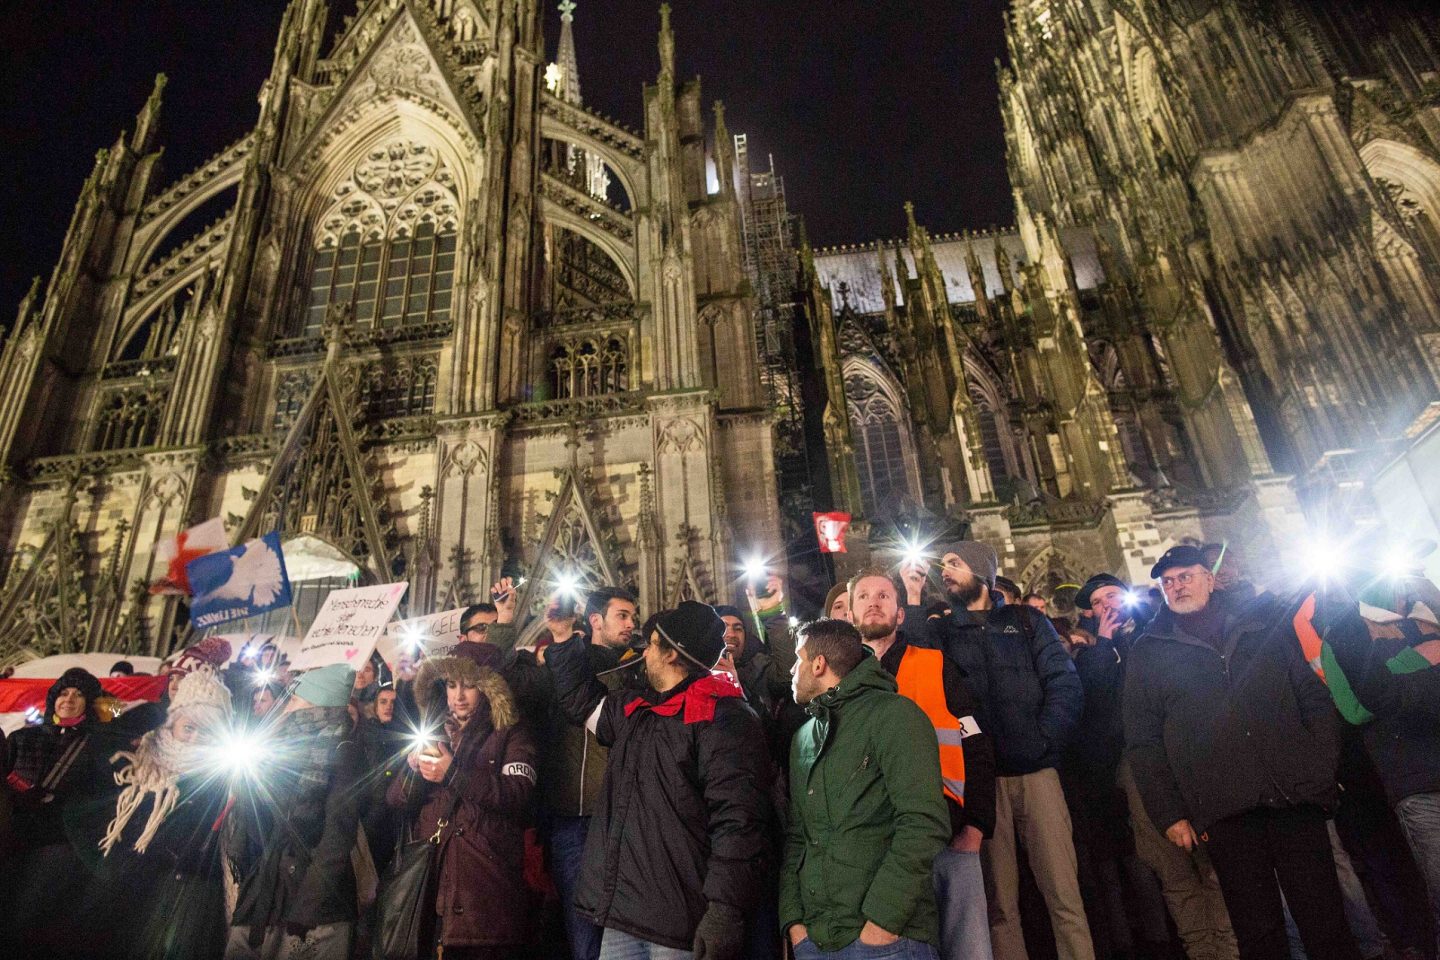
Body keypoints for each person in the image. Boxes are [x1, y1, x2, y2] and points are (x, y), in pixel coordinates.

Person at [1124, 545, 1358, 960]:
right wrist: (1170, 813)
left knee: (1325, 921)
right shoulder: (1149, 651)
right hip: (1224, 808)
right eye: (1168, 582)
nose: (1177, 586)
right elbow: (1144, 741)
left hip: (1292, 794)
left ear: (1209, 579)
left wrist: (1320, 765)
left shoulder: (1258, 625)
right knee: (1258, 933)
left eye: (1186, 576)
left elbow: (1311, 695)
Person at [548, 600, 772, 960]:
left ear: (671, 654)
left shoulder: (725, 718)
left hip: (682, 921)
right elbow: (581, 703)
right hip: (623, 915)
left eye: (651, 643)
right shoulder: (639, 711)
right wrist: (561, 637)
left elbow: (739, 823)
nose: (644, 651)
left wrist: (724, 911)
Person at [922, 540, 1092, 960]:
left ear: (982, 571)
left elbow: (1064, 683)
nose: (945, 572)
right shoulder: (942, 632)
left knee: (1065, 898)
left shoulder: (1028, 621)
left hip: (1037, 775)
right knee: (1000, 907)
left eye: (955, 564)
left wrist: (1044, 741)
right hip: (984, 784)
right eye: (943, 566)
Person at [489, 580, 642, 960]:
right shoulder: (563, 665)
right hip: (573, 820)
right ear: (595, 620)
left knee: (629, 931)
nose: (630, 624)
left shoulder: (639, 668)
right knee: (584, 931)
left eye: (632, 617)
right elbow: (508, 688)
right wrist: (505, 621)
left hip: (628, 818)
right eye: (621, 616)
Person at [849, 570, 997, 960]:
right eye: (862, 596)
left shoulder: (934, 664)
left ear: (901, 614)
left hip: (949, 834)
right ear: (850, 615)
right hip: (880, 845)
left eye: (883, 594)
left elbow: (975, 743)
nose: (873, 602)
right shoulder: (841, 682)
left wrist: (977, 826)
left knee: (969, 949)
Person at [782, 617, 951, 959]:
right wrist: (794, 924)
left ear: (818, 664)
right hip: (816, 939)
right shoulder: (803, 737)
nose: (791, 670)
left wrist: (882, 924)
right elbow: (798, 836)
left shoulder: (895, 716)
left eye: (797, 659)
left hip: (886, 941)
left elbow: (923, 823)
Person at [387, 641, 539, 959]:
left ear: (487, 690)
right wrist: (413, 770)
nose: (458, 696)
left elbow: (518, 795)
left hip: (485, 891)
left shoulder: (511, 732)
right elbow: (397, 801)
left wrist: (453, 773)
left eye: (469, 686)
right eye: (452, 685)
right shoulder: (435, 730)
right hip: (432, 891)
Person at [93, 666, 235, 960]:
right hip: (126, 886)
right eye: (188, 727)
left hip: (186, 894)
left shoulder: (229, 775)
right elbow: (105, 732)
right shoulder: (142, 756)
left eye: (206, 730)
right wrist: (149, 710)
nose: (195, 738)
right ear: (172, 723)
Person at [227, 664, 364, 960]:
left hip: (313, 904)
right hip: (267, 889)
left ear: (315, 703)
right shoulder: (280, 748)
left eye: (294, 698)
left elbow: (337, 835)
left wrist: (308, 908)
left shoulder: (343, 750)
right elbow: (256, 821)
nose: (285, 705)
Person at [1, 667, 122, 957]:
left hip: (59, 844)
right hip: (13, 837)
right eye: (64, 692)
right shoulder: (21, 738)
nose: (69, 699)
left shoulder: (99, 744)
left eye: (79, 695)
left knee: (28, 915)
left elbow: (123, 719)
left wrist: (107, 707)